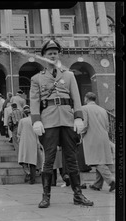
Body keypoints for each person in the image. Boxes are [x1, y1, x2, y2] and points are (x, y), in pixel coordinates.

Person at [29, 39, 93, 208]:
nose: (52, 55)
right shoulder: (37, 78)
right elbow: (34, 101)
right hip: (48, 120)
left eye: (55, 53)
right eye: (49, 53)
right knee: (48, 159)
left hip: (67, 119)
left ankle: (78, 195)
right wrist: (36, 121)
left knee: (71, 158)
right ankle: (46, 196)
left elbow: (76, 98)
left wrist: (78, 117)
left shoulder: (69, 75)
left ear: (58, 55)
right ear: (43, 56)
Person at [81, 92, 115, 192]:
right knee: (101, 160)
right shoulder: (102, 110)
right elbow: (107, 126)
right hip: (103, 136)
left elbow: (85, 124)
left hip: (92, 137)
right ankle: (97, 184)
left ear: (86, 99)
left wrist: (80, 133)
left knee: (97, 161)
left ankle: (111, 181)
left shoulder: (84, 108)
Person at [17, 105, 43, 184]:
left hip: (24, 142)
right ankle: (32, 179)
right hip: (33, 142)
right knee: (32, 162)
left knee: (24, 160)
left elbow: (19, 132)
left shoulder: (22, 121)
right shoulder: (35, 121)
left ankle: (27, 173)